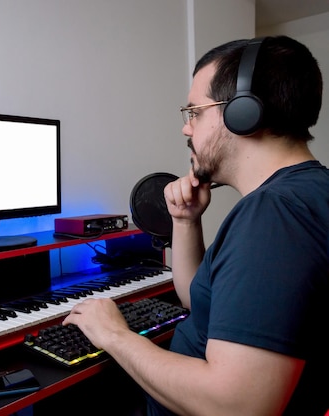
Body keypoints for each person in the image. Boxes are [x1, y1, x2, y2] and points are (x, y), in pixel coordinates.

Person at [63, 35, 328, 415]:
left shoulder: (274, 215)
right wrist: (186, 221)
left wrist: (114, 335)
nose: (187, 129)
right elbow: (201, 301)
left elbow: (236, 406)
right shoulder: (306, 193)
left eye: (195, 112)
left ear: (243, 113)